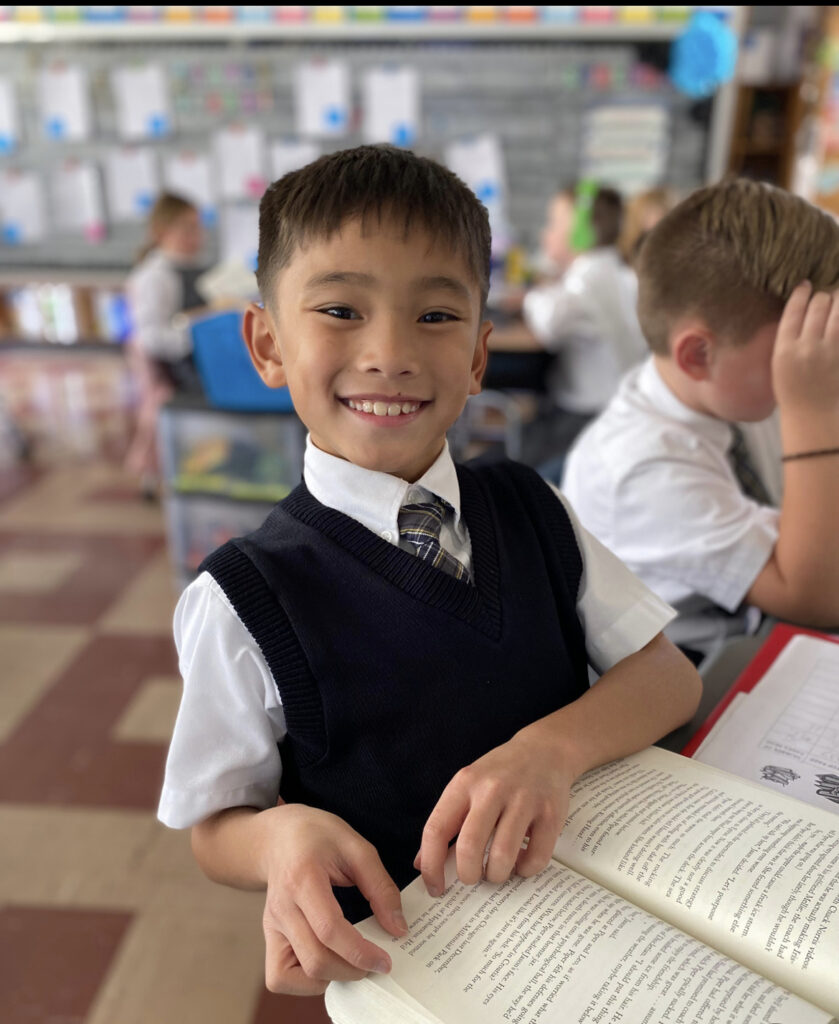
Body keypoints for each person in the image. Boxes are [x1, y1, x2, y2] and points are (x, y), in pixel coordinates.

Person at [157, 145, 702, 998]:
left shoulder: (530, 505)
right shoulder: (241, 598)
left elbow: (666, 674)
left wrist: (547, 752)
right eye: (340, 309)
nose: (390, 354)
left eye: (436, 317)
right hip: (418, 977)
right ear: (266, 342)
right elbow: (214, 826)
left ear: (479, 355)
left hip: (602, 938)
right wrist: (278, 840)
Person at [562, 178, 839, 662]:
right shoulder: (642, 467)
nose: (814, 362)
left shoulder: (731, 390)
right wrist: (812, 412)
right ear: (698, 355)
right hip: (689, 678)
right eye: (798, 347)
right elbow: (816, 598)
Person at [521, 182, 648, 474]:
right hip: (620, 410)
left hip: (588, 418)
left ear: (581, 232)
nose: (546, 232)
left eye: (554, 223)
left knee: (515, 465)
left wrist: (531, 295)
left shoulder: (587, 280)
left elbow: (548, 325)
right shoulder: (619, 272)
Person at [123, 192, 206, 497]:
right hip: (170, 372)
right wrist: (198, 333)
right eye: (186, 227)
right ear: (161, 231)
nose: (196, 236)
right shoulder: (154, 276)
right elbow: (150, 337)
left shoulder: (187, 266)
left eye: (198, 227)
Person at [617, 186, 673, 267]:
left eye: (662, 213)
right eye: (649, 213)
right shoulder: (623, 248)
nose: (656, 219)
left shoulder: (673, 248)